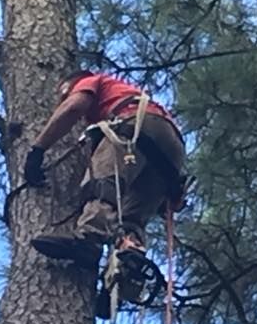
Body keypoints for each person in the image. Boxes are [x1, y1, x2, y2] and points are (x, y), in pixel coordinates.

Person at [25, 70, 186, 269]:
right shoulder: (126, 94)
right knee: (131, 217)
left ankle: (89, 238)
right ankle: (125, 270)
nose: (64, 98)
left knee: (104, 182)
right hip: (172, 148)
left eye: (64, 94)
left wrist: (37, 150)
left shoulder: (90, 81)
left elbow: (73, 107)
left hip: (137, 124)